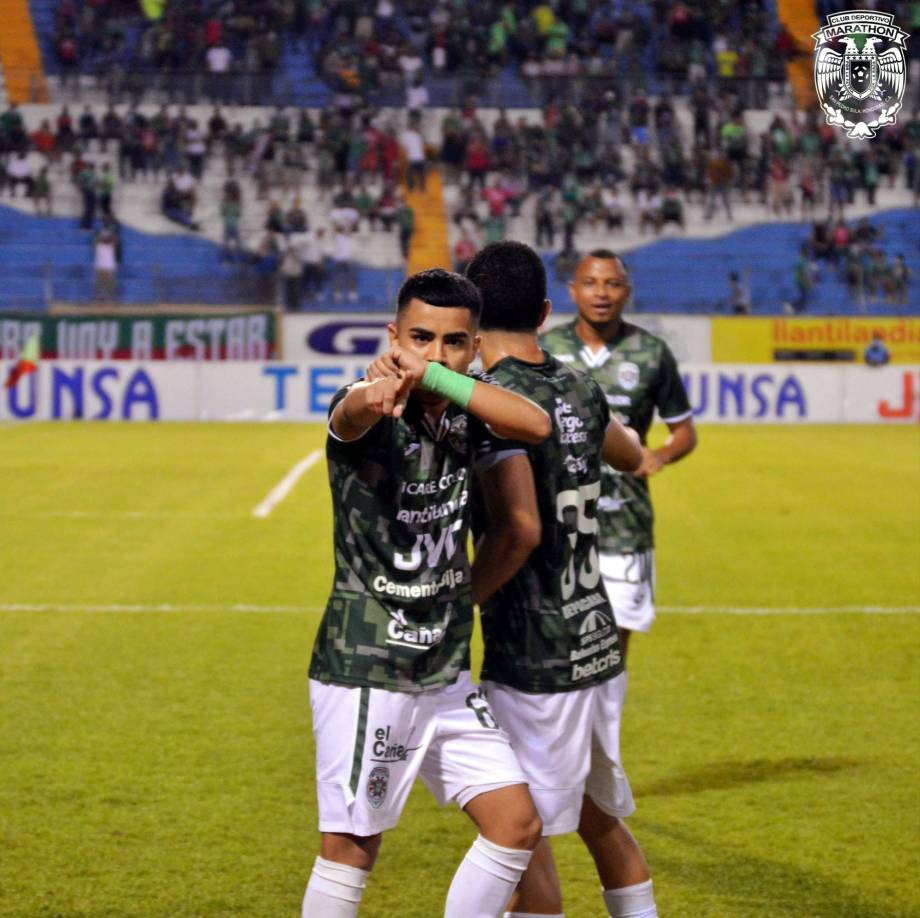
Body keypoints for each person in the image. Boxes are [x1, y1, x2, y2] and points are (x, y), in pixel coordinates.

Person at [304, 268, 553, 918]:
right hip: (370, 667)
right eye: (420, 337)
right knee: (352, 846)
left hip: (442, 672)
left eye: (453, 342)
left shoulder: (470, 409)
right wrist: (376, 387)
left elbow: (536, 424)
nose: (435, 353)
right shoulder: (371, 406)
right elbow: (348, 414)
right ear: (393, 335)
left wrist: (437, 377)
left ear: (473, 349)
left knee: (516, 824)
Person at [465, 242, 658, 918]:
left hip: (536, 660)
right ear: (546, 312)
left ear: (471, 315)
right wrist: (633, 461)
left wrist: (461, 603)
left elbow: (518, 533)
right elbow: (630, 454)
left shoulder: (493, 402)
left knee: (524, 840)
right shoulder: (580, 385)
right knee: (600, 818)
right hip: (597, 642)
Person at [541, 250, 696, 701]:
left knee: (611, 654)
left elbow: (684, 431)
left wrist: (661, 455)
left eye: (611, 284)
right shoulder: (547, 350)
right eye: (590, 283)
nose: (601, 293)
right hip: (559, 528)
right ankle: (564, 762)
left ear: (626, 291)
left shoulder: (651, 353)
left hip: (625, 527)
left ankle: (600, 757)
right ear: (573, 291)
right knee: (558, 651)